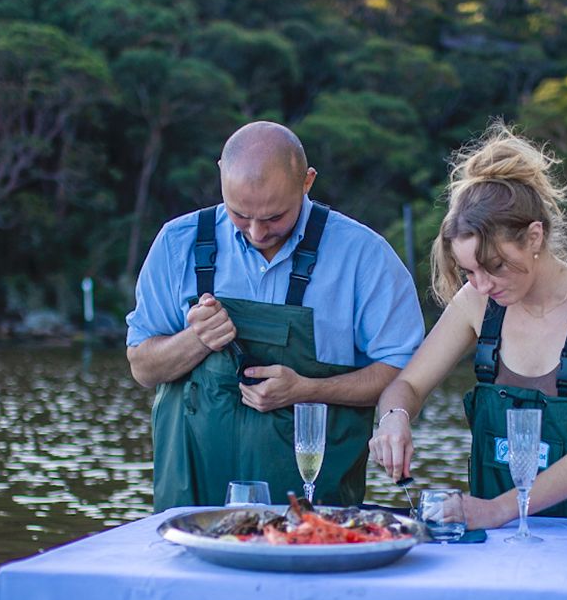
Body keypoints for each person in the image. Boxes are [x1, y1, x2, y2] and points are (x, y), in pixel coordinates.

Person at [368, 124, 567, 591]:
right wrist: (393, 418)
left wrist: (494, 509)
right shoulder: (476, 301)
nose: (483, 285)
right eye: (469, 271)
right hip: (501, 552)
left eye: (495, 267)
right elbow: (406, 385)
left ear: (535, 236)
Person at [127, 121, 424, 510]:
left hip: (316, 513)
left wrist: (307, 390)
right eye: (239, 214)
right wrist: (195, 340)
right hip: (191, 510)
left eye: (273, 217)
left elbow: (403, 372)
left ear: (307, 182)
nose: (255, 232)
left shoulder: (364, 255)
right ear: (221, 174)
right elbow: (142, 369)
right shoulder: (175, 243)